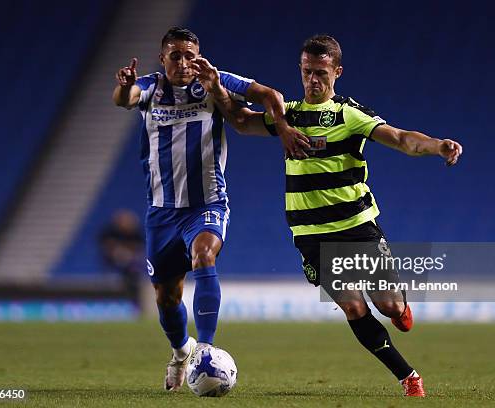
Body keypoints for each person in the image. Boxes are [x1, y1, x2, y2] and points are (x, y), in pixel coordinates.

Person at [193, 34, 463, 397]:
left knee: (388, 305)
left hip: (357, 226)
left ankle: (399, 306)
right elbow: (242, 122)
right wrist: (217, 89)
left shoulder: (348, 115)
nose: (313, 80)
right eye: (307, 72)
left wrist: (437, 146)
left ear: (337, 72)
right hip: (311, 234)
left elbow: (400, 138)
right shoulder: (288, 115)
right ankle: (408, 376)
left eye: (321, 72)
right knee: (353, 306)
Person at [112, 26, 309, 391]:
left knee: (204, 254)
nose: (185, 63)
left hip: (207, 203)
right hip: (162, 211)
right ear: (163, 59)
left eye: (190, 55)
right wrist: (125, 85)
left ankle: (205, 347)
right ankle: (181, 351)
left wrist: (281, 126)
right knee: (165, 296)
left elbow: (269, 94)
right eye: (176, 56)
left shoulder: (213, 80)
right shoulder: (152, 87)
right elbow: (125, 98)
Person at [98, 209, 145, 305]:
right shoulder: (110, 232)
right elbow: (106, 247)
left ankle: (134, 302)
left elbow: (139, 249)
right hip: (112, 262)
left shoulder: (136, 234)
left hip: (131, 265)